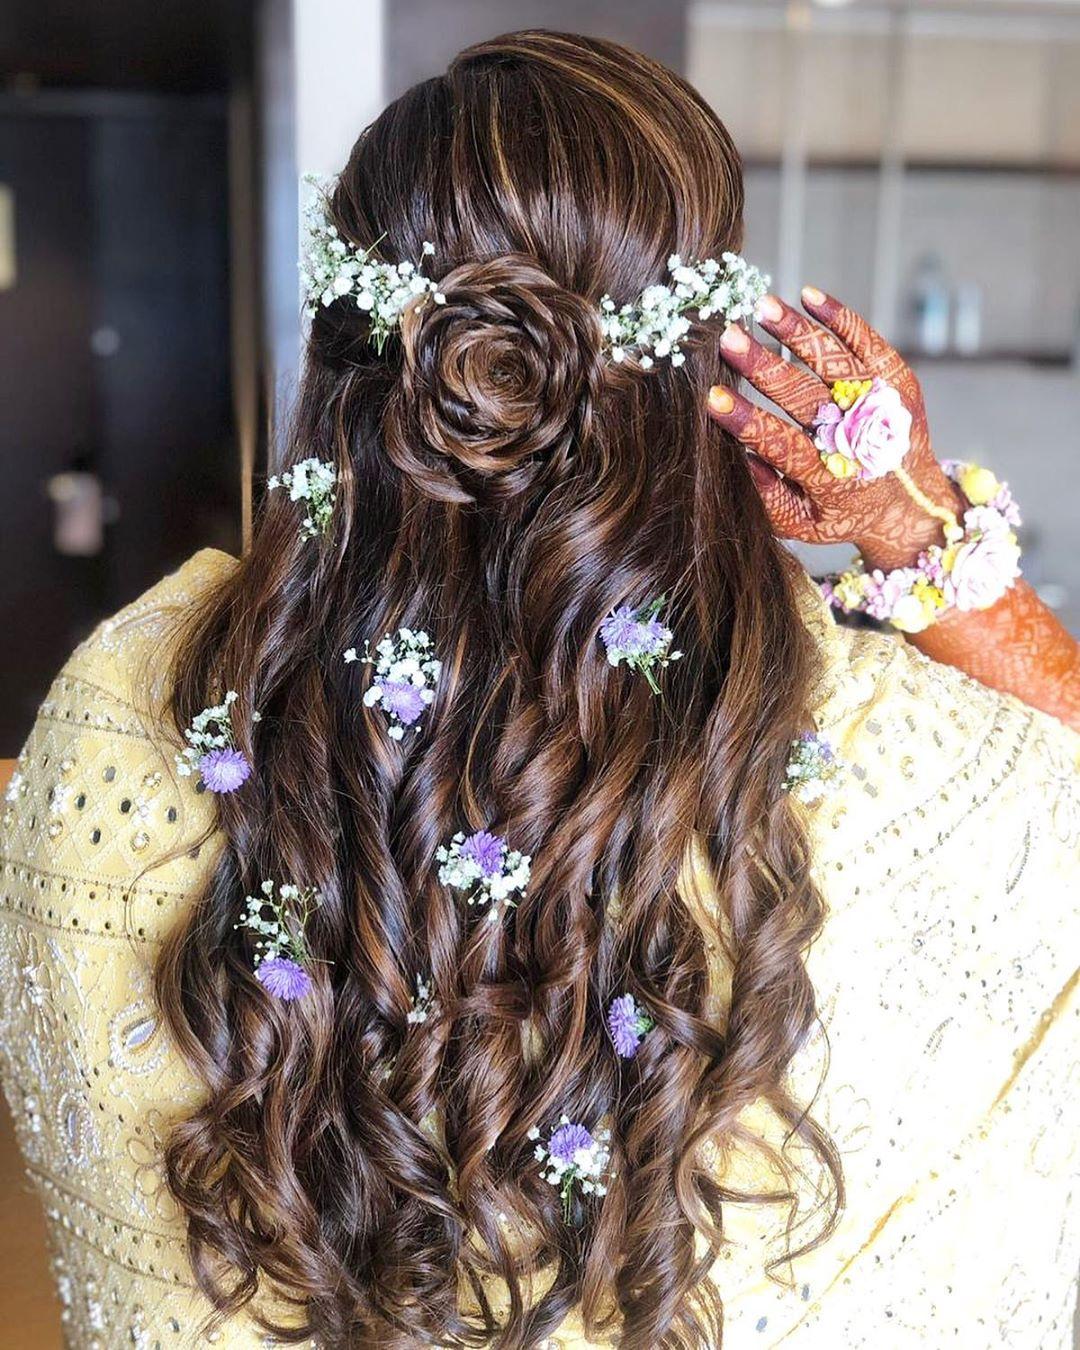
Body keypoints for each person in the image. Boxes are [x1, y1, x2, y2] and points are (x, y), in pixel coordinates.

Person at [0, 29, 1077, 1350]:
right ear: (710, 367)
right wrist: (920, 533)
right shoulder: (877, 757)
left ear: (350, 355)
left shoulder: (135, 703)